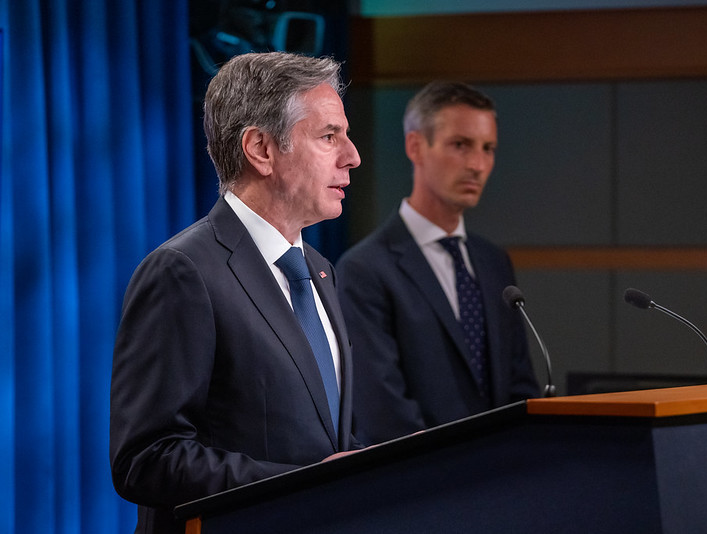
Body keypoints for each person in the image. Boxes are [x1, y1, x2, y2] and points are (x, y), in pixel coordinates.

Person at [110, 52, 361, 534]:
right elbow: (145, 458)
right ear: (261, 149)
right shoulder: (183, 273)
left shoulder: (321, 273)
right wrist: (309, 484)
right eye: (329, 136)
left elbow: (328, 437)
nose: (352, 155)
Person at [336, 81, 540, 446]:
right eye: (460, 145)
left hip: (504, 479)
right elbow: (383, 412)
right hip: (421, 484)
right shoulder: (365, 270)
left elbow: (520, 385)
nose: (478, 165)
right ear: (416, 146)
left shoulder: (493, 262)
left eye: (488, 149)